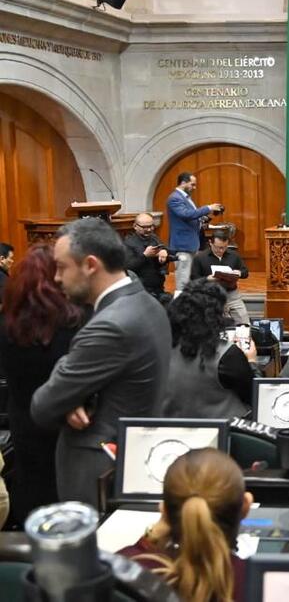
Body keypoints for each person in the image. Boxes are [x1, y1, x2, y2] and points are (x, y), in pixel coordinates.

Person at [31, 218, 171, 505]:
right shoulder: (144, 301)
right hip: (135, 457)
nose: (56, 278)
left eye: (61, 267)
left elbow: (43, 405)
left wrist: (70, 392)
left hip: (100, 473)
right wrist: (76, 393)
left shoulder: (110, 325)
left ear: (90, 265)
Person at [0, 244, 83, 525]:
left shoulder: (7, 325)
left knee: (30, 480)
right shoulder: (73, 323)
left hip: (23, 416)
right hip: (68, 418)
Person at [118, 448, 251, 602]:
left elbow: (125, 564)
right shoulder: (260, 582)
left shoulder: (129, 574)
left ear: (164, 512)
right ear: (246, 506)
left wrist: (149, 539)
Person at [161, 280, 259, 419]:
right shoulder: (226, 354)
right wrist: (252, 361)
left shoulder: (161, 348)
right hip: (226, 433)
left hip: (172, 431)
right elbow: (254, 395)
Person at [166, 172, 223, 294]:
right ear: (183, 183)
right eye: (193, 184)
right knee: (183, 281)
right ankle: (180, 309)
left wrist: (206, 216)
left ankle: (190, 307)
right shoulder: (175, 198)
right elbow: (186, 215)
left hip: (191, 244)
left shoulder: (186, 198)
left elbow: (192, 217)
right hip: (182, 245)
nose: (194, 188)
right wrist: (208, 208)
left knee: (190, 278)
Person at [189, 228, 249, 325]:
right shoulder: (200, 257)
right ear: (210, 243)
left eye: (224, 247)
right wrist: (207, 279)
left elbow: (245, 272)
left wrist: (239, 273)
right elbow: (193, 279)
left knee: (244, 322)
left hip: (232, 295)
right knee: (211, 325)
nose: (221, 250)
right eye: (218, 247)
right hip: (209, 296)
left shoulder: (234, 255)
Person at [123, 213, 170, 303]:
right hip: (140, 290)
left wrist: (164, 252)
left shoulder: (154, 238)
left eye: (151, 226)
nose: (148, 230)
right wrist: (145, 255)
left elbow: (164, 249)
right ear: (135, 226)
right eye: (144, 227)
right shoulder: (128, 243)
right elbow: (128, 267)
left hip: (158, 287)